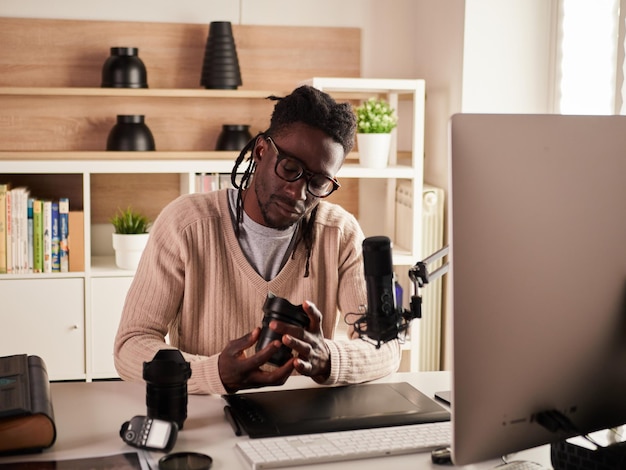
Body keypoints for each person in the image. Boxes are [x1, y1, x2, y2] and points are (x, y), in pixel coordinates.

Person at [114, 85, 401, 395]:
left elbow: (385, 346)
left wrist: (329, 358)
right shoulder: (186, 225)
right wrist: (213, 374)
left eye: (318, 181)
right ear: (261, 151)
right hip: (207, 413)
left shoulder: (340, 234)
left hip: (301, 421)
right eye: (290, 168)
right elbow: (130, 346)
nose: (298, 193)